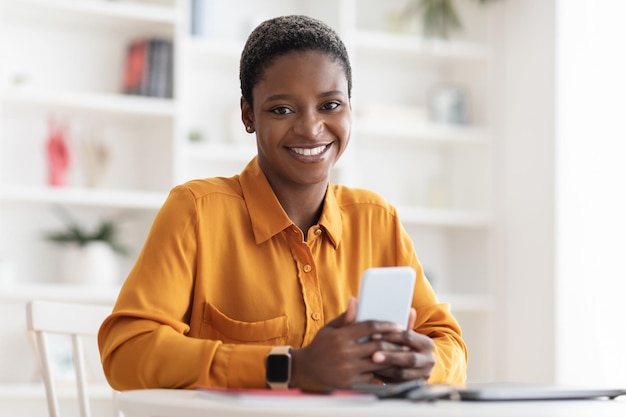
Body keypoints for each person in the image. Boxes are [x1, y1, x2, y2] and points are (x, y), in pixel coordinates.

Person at [98, 15, 467, 391]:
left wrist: (424, 363)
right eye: (282, 110)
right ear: (248, 115)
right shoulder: (196, 210)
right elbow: (126, 354)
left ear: (350, 109)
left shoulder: (377, 219)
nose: (310, 127)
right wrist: (290, 367)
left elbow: (449, 345)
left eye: (331, 105)